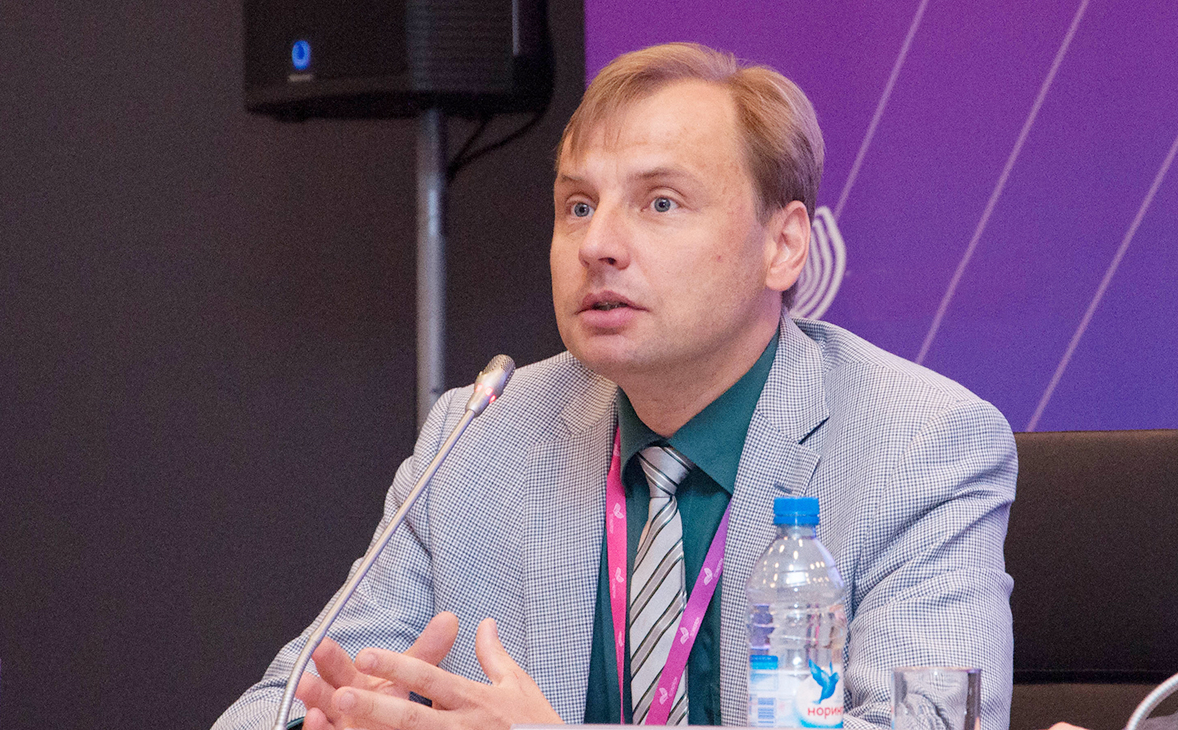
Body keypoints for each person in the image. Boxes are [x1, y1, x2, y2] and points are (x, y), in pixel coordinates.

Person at [213, 42, 1016, 730]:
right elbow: (272, 705)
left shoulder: (920, 446)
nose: (598, 243)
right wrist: (334, 720)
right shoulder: (479, 438)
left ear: (784, 245)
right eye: (577, 206)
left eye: (660, 202)